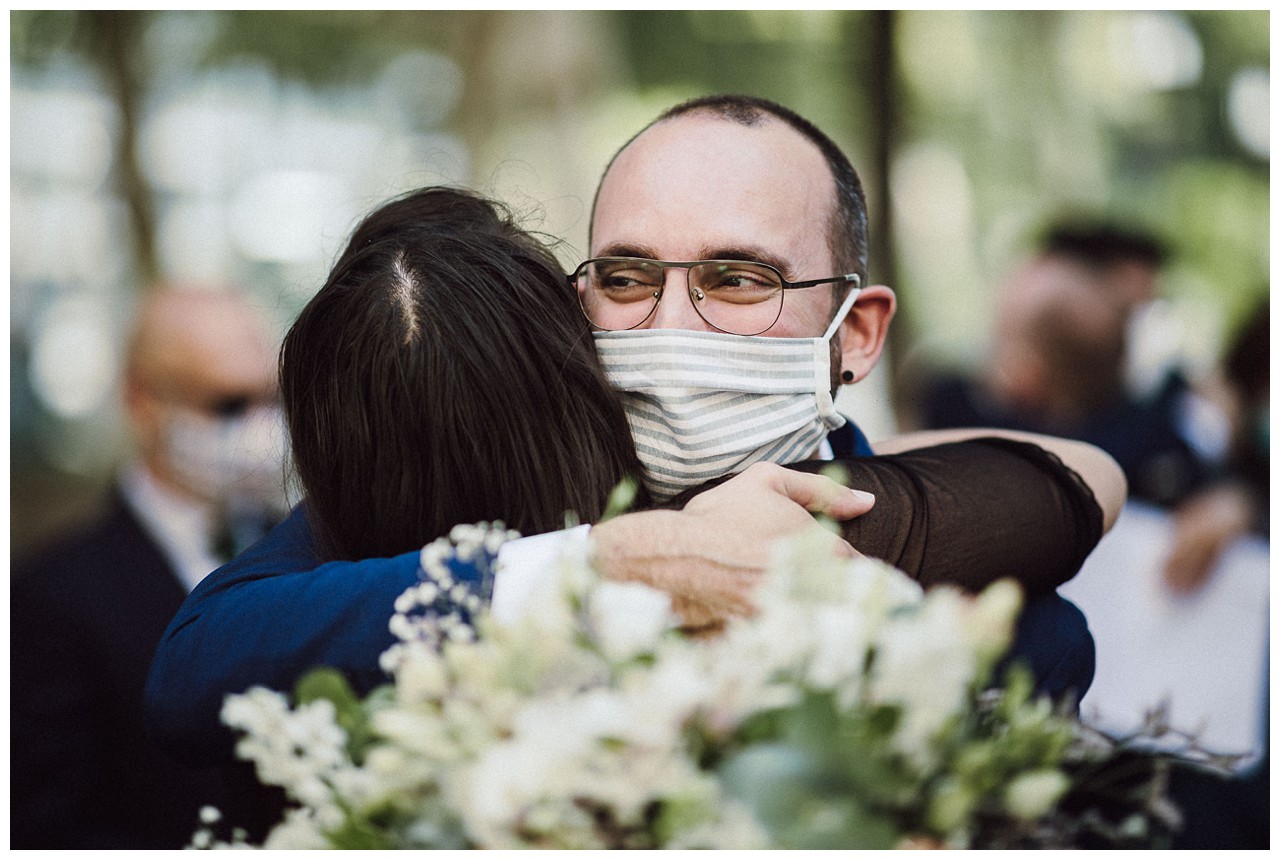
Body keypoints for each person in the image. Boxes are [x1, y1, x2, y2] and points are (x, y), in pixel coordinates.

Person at [147, 97, 1119, 767]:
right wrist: (611, 563)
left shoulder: (976, 580)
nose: (670, 325)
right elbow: (202, 660)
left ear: (855, 332)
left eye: (738, 279)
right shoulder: (487, 481)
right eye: (625, 278)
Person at [12, 288, 288, 848]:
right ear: (142, 400)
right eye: (229, 404)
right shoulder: (50, 599)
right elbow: (50, 824)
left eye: (273, 398)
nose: (259, 425)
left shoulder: (317, 548)